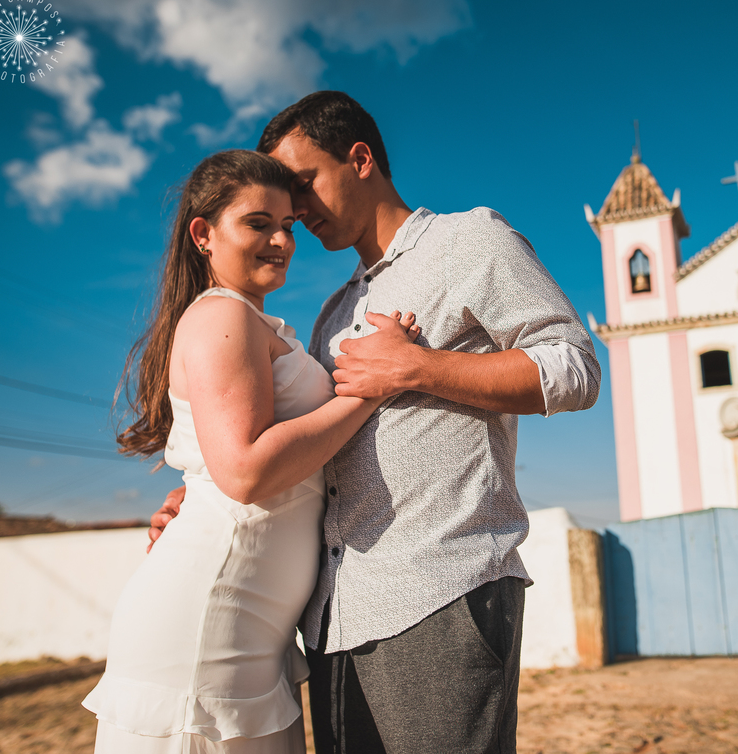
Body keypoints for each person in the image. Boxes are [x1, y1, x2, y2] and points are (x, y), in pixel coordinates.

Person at [149, 91, 602, 754]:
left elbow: (575, 367)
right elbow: (297, 446)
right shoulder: (331, 313)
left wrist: (419, 366)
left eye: (304, 183)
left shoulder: (469, 239)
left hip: (439, 593)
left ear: (359, 159)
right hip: (331, 620)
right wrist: (203, 495)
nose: (297, 212)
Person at [82, 149, 420, 753]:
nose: (282, 241)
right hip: (209, 623)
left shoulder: (255, 324)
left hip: (252, 628)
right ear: (203, 234)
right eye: (258, 224)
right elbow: (244, 471)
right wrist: (373, 388)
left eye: (288, 225)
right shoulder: (222, 317)